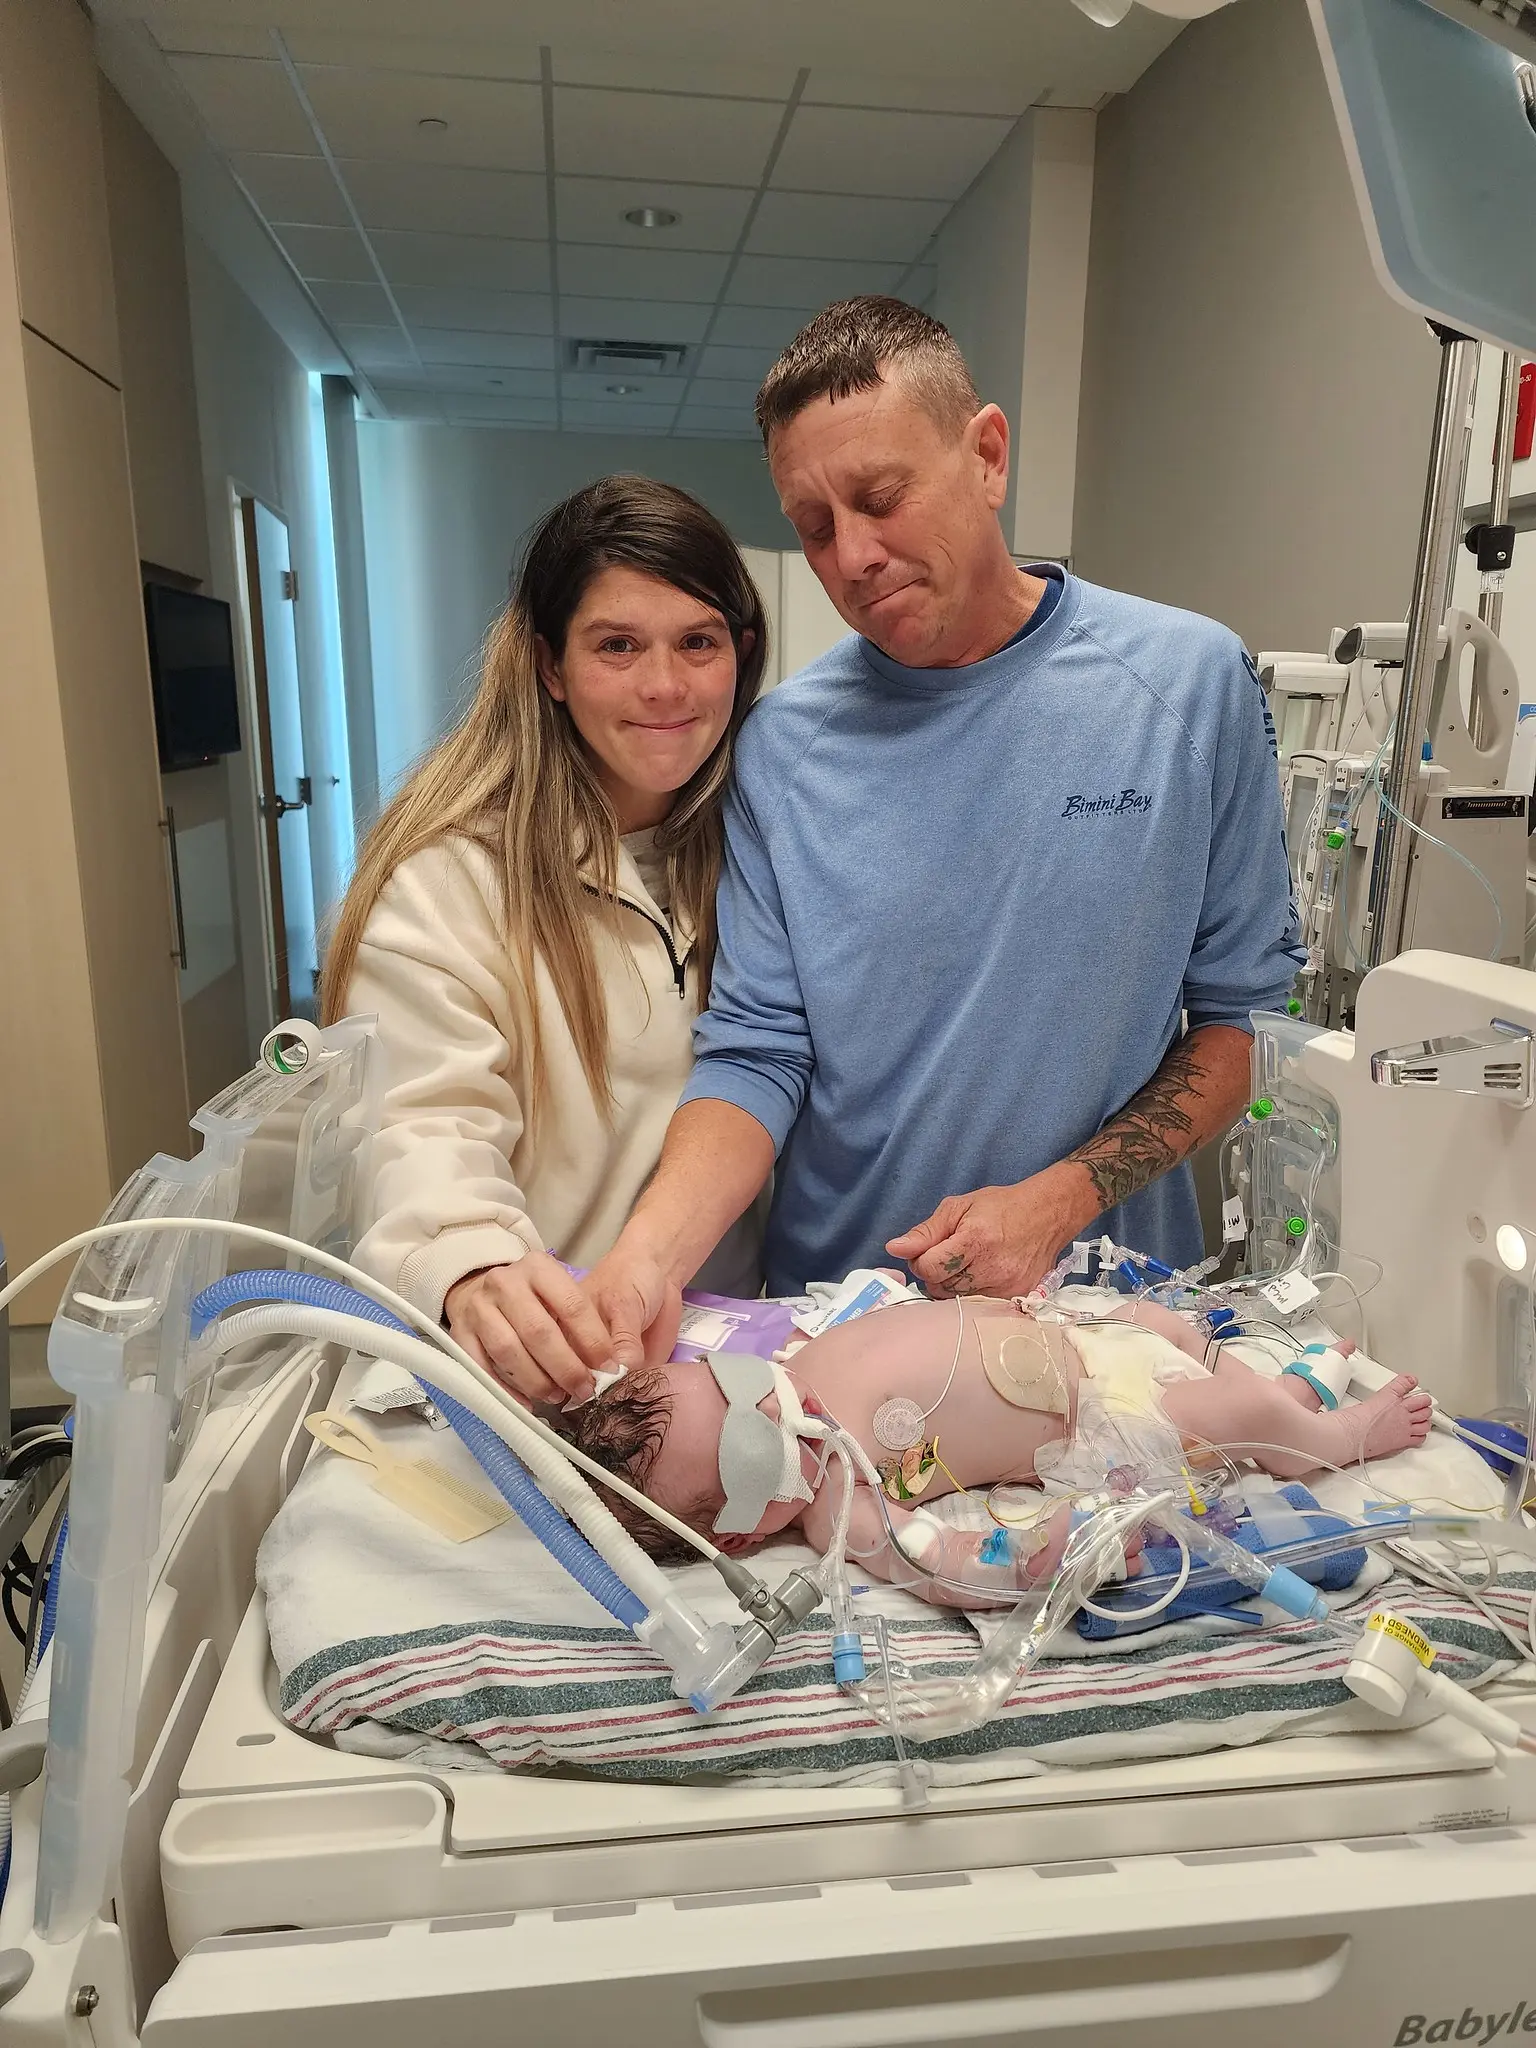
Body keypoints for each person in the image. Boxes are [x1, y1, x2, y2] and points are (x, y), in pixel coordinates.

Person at [554, 296, 1305, 1389]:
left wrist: (1060, 1199)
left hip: (1110, 1317)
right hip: (844, 1325)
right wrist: (645, 1258)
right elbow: (759, 1049)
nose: (853, 554)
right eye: (814, 525)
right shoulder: (780, 749)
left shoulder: (1185, 686)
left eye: (880, 497)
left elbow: (1245, 1021)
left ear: (986, 454)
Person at [321, 475, 768, 1405]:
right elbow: (418, 1119)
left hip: (724, 1352)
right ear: (549, 666)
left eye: (699, 642)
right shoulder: (451, 876)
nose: (665, 686)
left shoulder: (764, 843)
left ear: (743, 653)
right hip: (534, 1366)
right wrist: (469, 1259)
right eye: (617, 645)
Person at [556, 1289, 1432, 1609]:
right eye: (753, 1453)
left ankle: (1276, 1406)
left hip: (1084, 1331)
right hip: (1103, 1415)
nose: (783, 1411)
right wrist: (1035, 1557)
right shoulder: (839, 1507)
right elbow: (938, 1562)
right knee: (1224, 1405)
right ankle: (1325, 1436)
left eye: (738, 1387)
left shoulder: (801, 1361)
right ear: (742, 1537)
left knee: (1180, 1332)